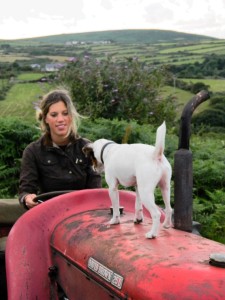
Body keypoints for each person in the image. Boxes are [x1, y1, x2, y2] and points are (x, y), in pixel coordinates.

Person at [19, 89, 102, 209]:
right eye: (54, 115)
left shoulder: (89, 149)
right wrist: (27, 198)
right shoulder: (32, 152)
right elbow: (25, 191)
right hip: (49, 216)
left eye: (65, 113)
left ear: (71, 116)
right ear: (45, 118)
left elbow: (96, 192)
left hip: (82, 215)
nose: (60, 119)